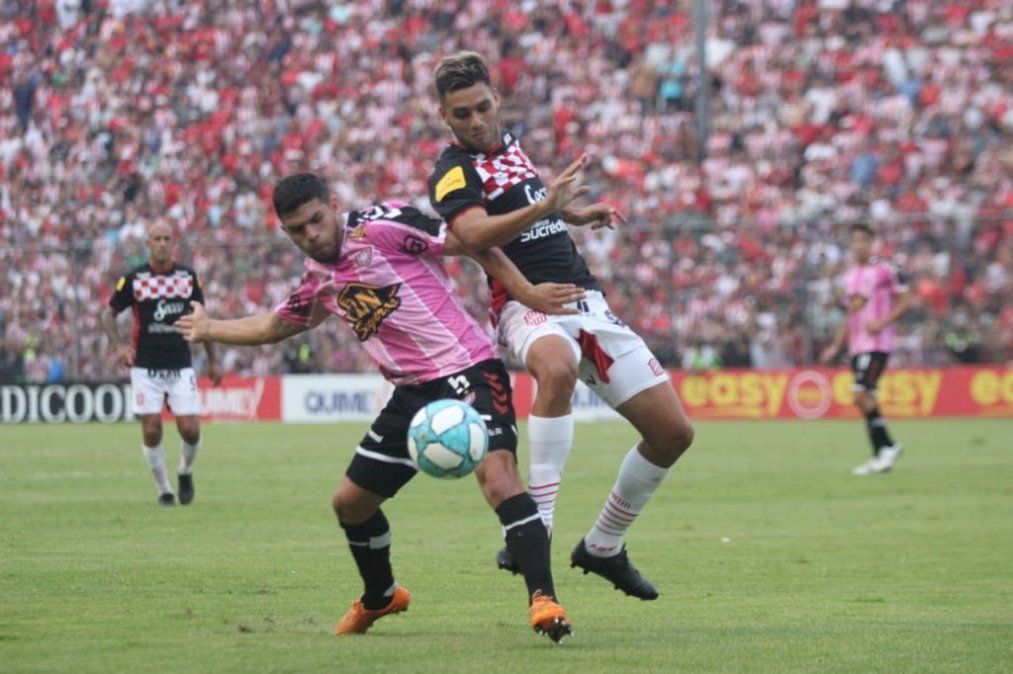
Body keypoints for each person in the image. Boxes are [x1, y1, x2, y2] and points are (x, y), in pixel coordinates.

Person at [175, 173, 589, 641]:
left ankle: (544, 599)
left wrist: (528, 291)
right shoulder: (319, 281)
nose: (310, 234)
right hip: (410, 395)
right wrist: (209, 328)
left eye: (315, 220)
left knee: (497, 476)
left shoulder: (383, 226)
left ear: (333, 205)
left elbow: (471, 242)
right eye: (297, 230)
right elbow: (274, 326)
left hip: (469, 369)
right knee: (349, 504)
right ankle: (381, 596)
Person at [427, 52, 695, 601]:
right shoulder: (453, 171)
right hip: (524, 305)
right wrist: (547, 204)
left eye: (482, 108)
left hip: (585, 300)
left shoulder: (510, 146)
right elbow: (475, 233)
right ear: (444, 117)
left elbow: (527, 205)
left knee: (673, 433)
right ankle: (537, 527)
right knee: (557, 367)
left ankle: (603, 547)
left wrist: (569, 213)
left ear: (496, 100)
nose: (475, 121)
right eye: (462, 114)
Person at [101, 220, 222, 506]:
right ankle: (164, 489)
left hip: (180, 364)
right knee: (152, 427)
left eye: (167, 238)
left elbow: (202, 320)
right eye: (157, 238)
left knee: (190, 429)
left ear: (174, 242)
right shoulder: (134, 279)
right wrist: (118, 346)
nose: (163, 243)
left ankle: (185, 471)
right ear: (148, 244)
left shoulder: (188, 278)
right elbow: (108, 315)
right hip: (145, 365)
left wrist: (213, 360)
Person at [821, 224, 913, 475]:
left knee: (860, 394)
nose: (858, 245)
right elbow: (851, 314)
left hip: (878, 344)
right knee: (865, 398)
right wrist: (835, 346)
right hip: (857, 346)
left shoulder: (885, 270)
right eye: (854, 240)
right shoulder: (850, 276)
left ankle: (887, 447)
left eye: (863, 240)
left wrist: (882, 322)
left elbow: (906, 301)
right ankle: (882, 452)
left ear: (873, 242)